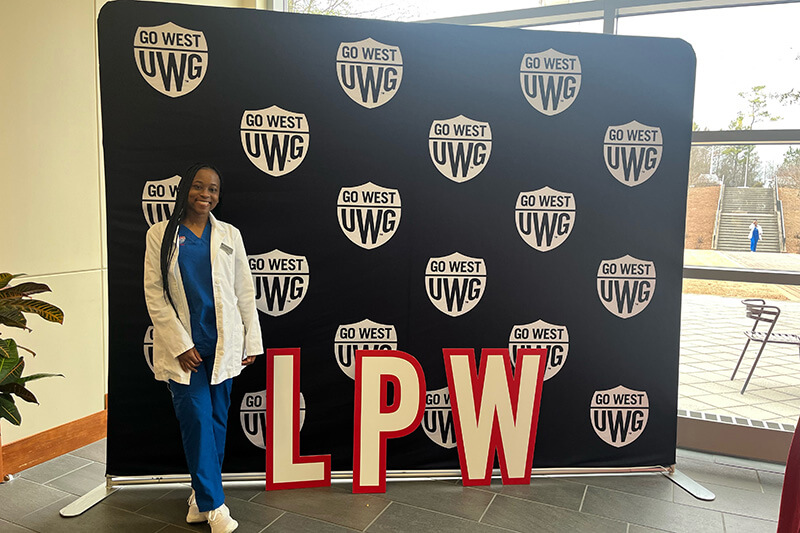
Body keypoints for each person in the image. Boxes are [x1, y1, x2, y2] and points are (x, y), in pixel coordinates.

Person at [144, 163, 262, 533]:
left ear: (218, 195)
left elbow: (244, 291)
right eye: (198, 187)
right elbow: (155, 294)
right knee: (195, 420)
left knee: (215, 422)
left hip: (224, 345)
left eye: (212, 189)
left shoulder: (229, 235)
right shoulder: (160, 234)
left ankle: (200, 496)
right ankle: (215, 506)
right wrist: (180, 344)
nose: (205, 195)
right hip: (187, 352)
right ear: (185, 190)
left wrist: (251, 339)